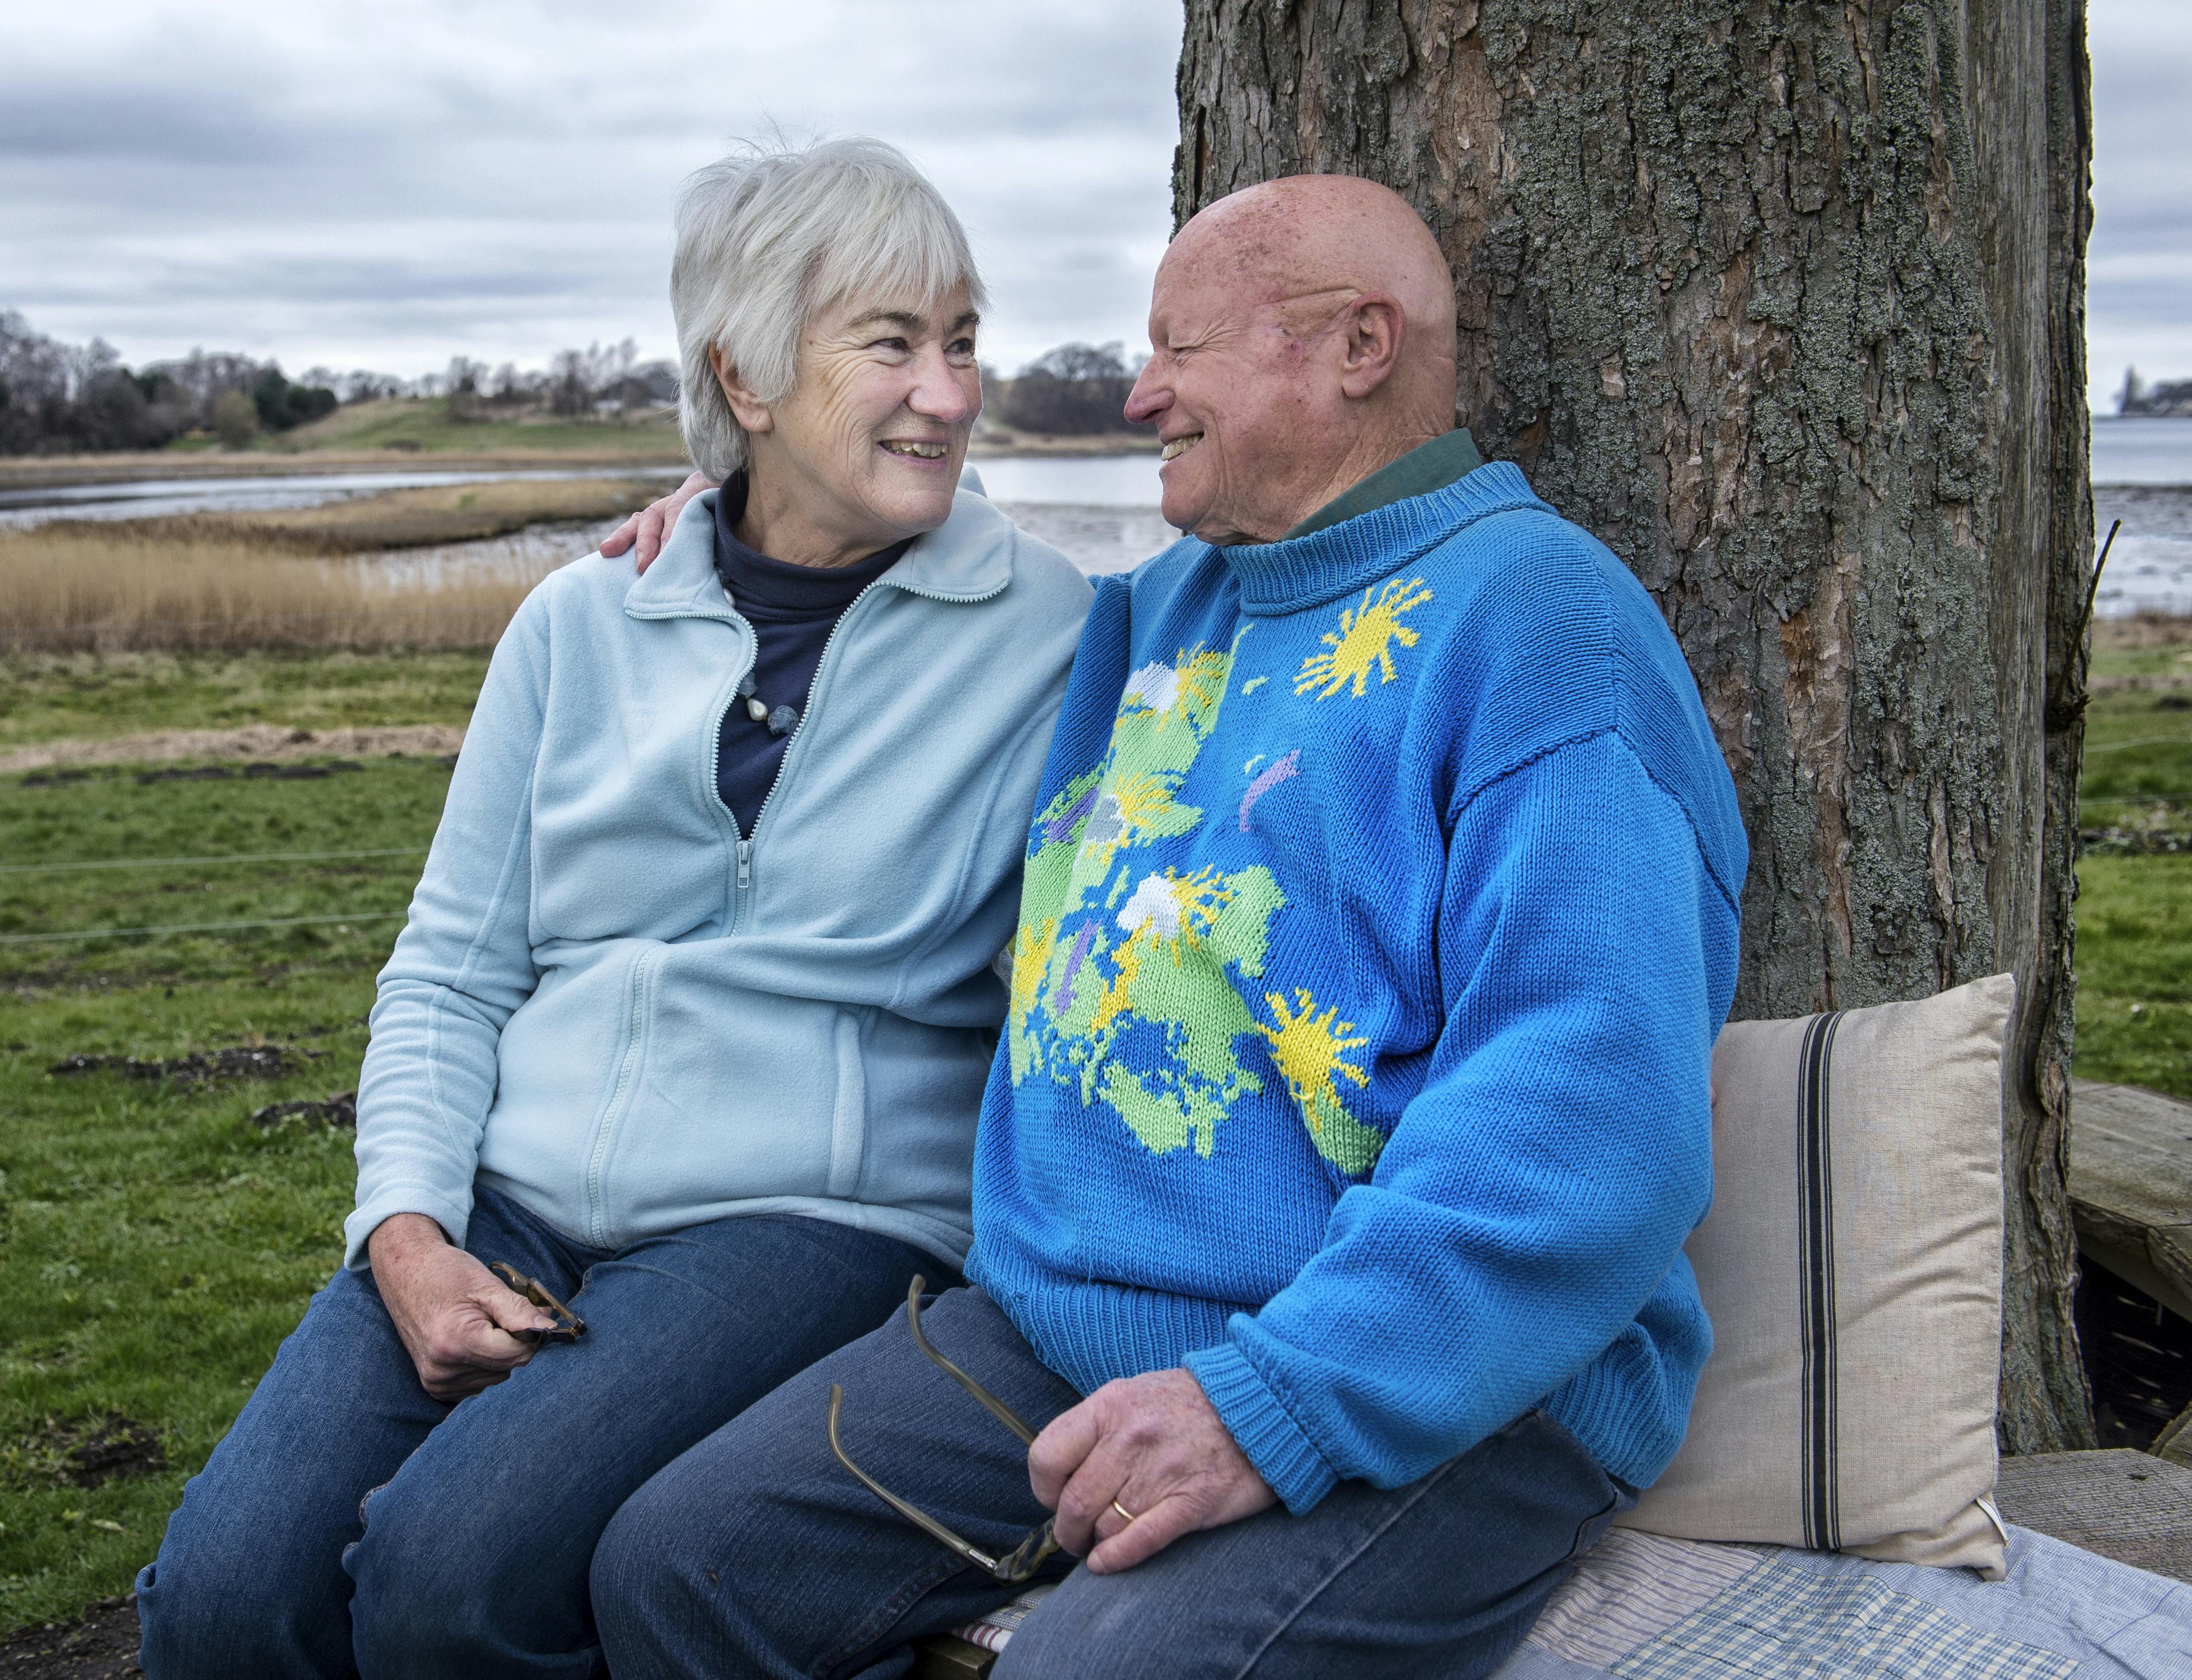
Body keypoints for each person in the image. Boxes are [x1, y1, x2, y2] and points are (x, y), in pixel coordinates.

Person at [588, 174, 1747, 1680]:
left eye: (1177, 351)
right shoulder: (1162, 610)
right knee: (678, 1572)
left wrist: (1269, 1405)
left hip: (1429, 1376)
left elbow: (1588, 1100)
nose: (1139, 395)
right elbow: (925, 553)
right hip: (1055, 1324)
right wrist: (738, 510)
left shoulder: (1540, 632)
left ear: (1353, 347)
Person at [132, 136, 1094, 1680]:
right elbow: (449, 969)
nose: (953, 392)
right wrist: (406, 1230)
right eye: (892, 343)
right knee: (225, 1602)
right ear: (749, 377)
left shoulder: (1056, 631)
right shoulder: (580, 620)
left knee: (452, 1579)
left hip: (813, 1217)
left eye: (964, 337)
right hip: (514, 1199)